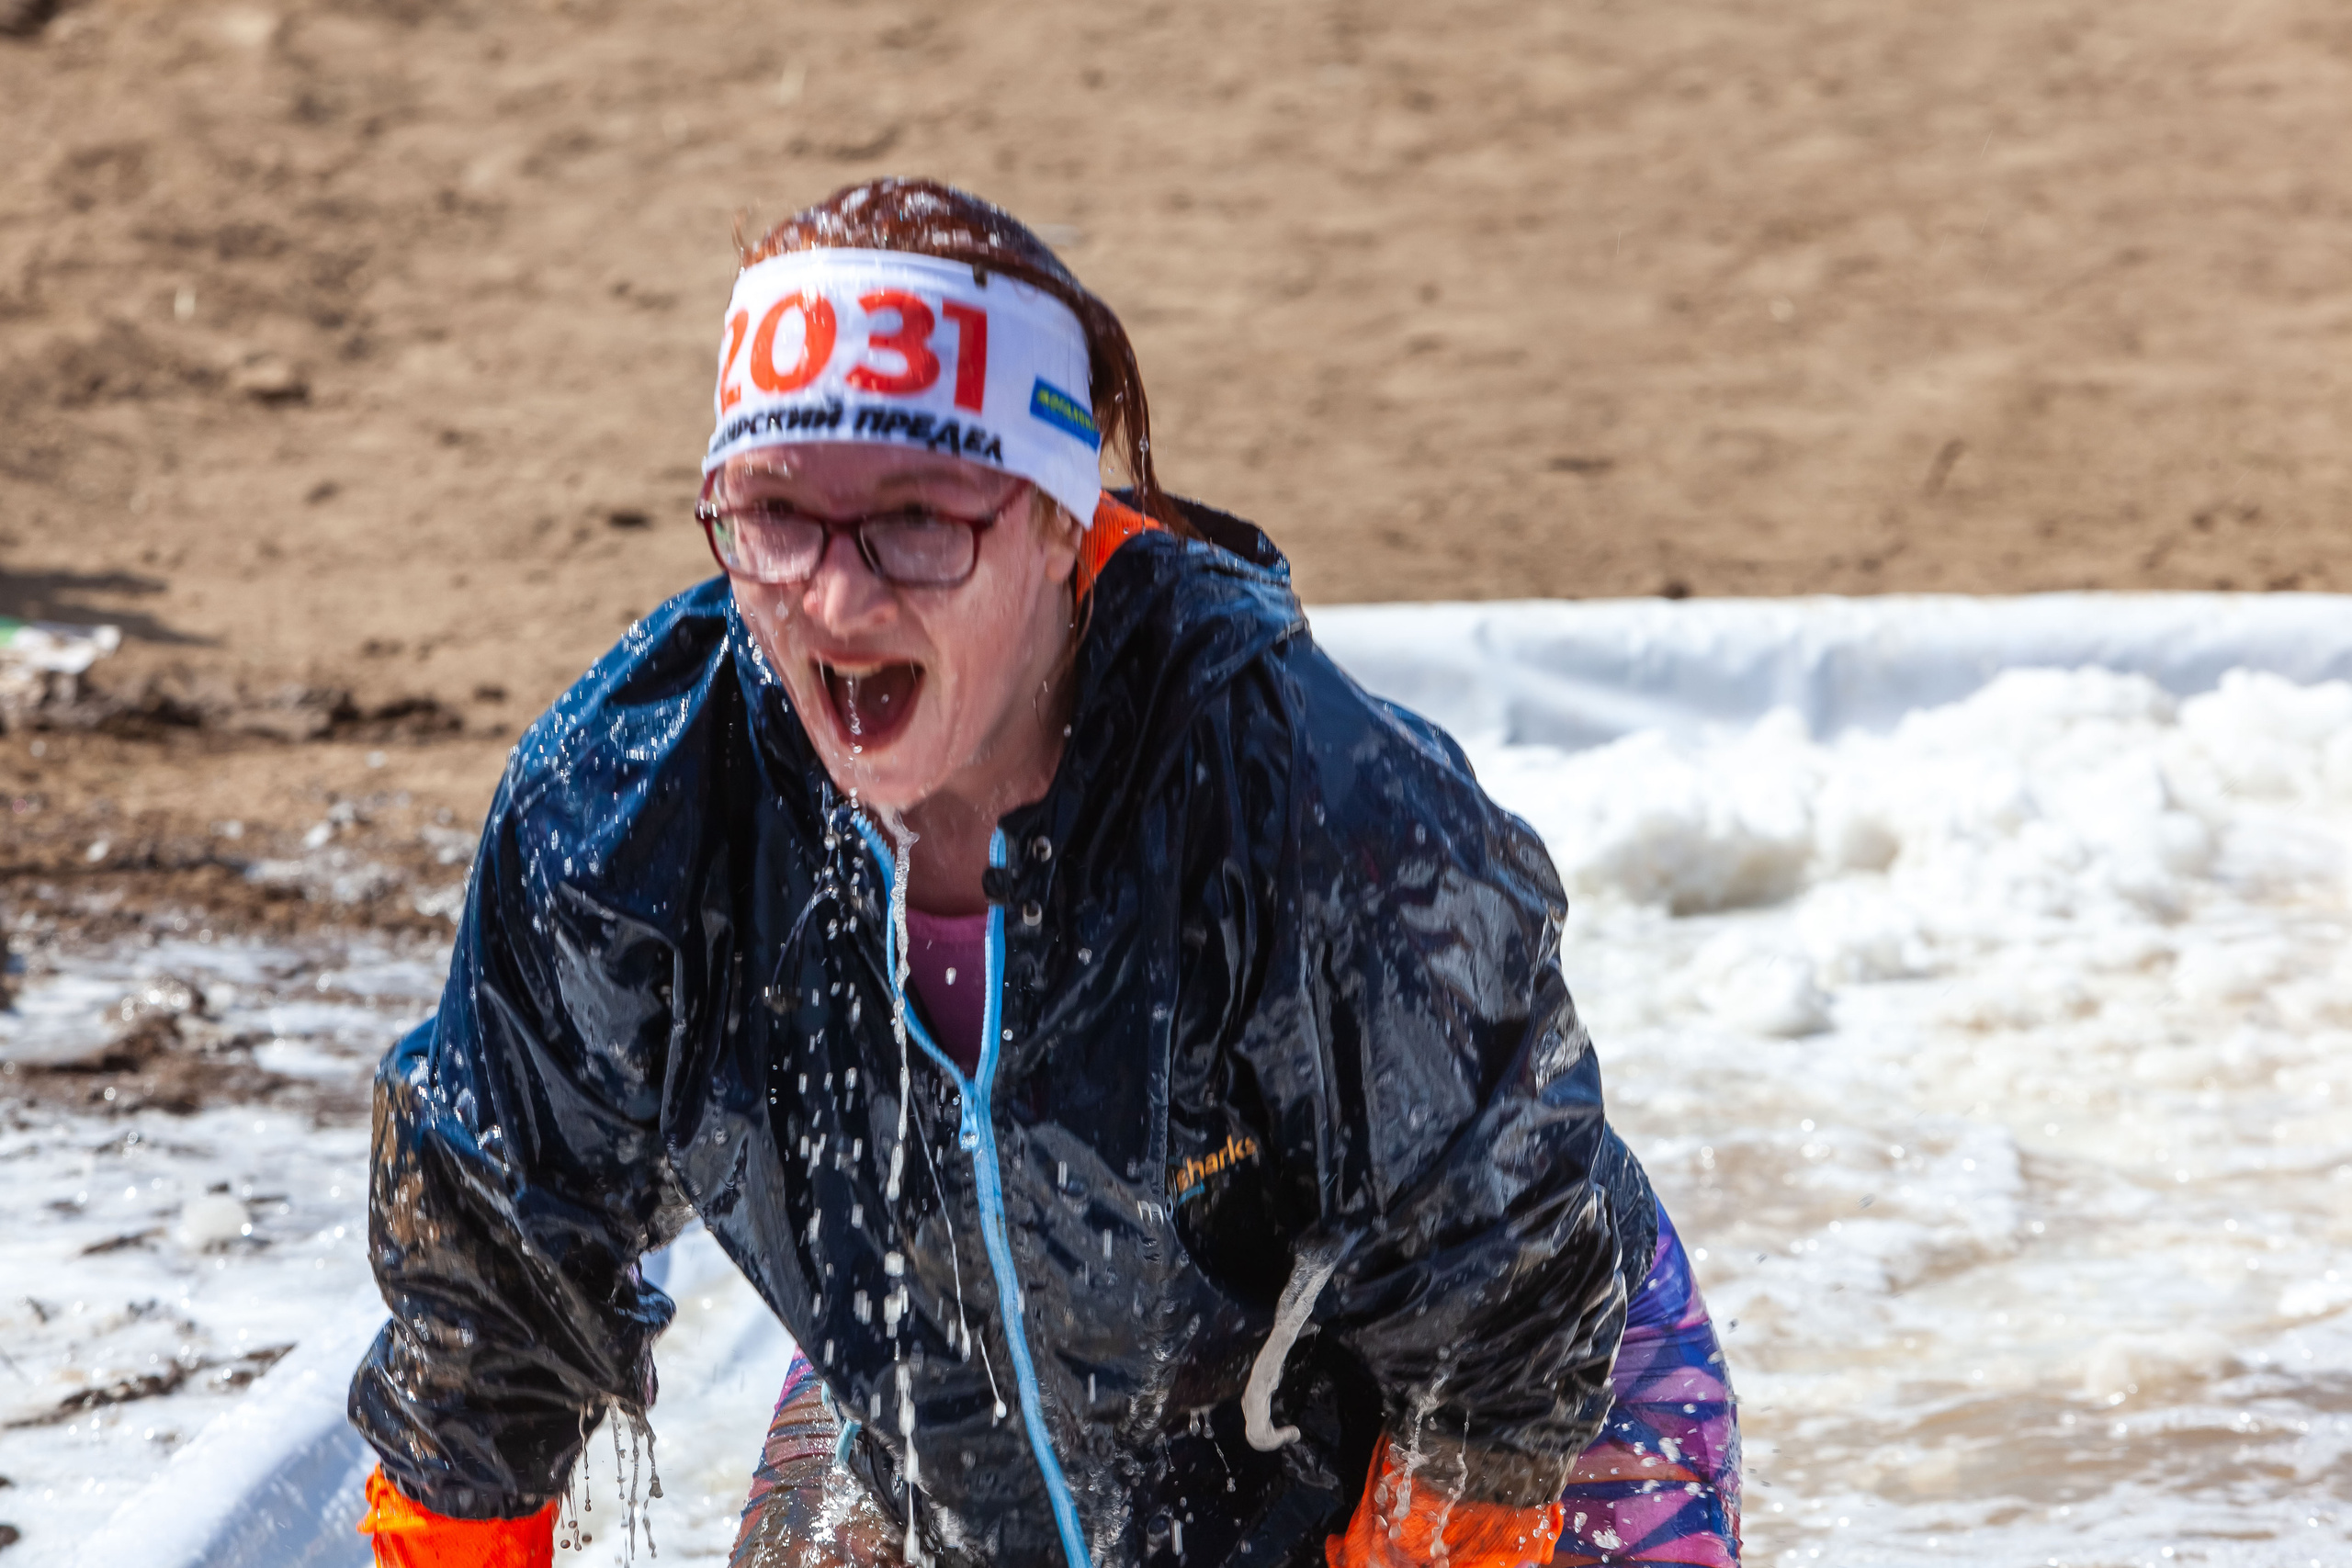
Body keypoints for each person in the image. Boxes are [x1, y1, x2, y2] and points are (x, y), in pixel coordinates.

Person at [349, 178, 1740, 1568]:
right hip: (938, 1388)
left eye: (919, 521)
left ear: (1062, 521)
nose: (837, 608)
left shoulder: (1306, 810)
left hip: (1486, 1411)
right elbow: (492, 1299)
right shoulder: (627, 818)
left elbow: (1499, 1295)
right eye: (776, 515)